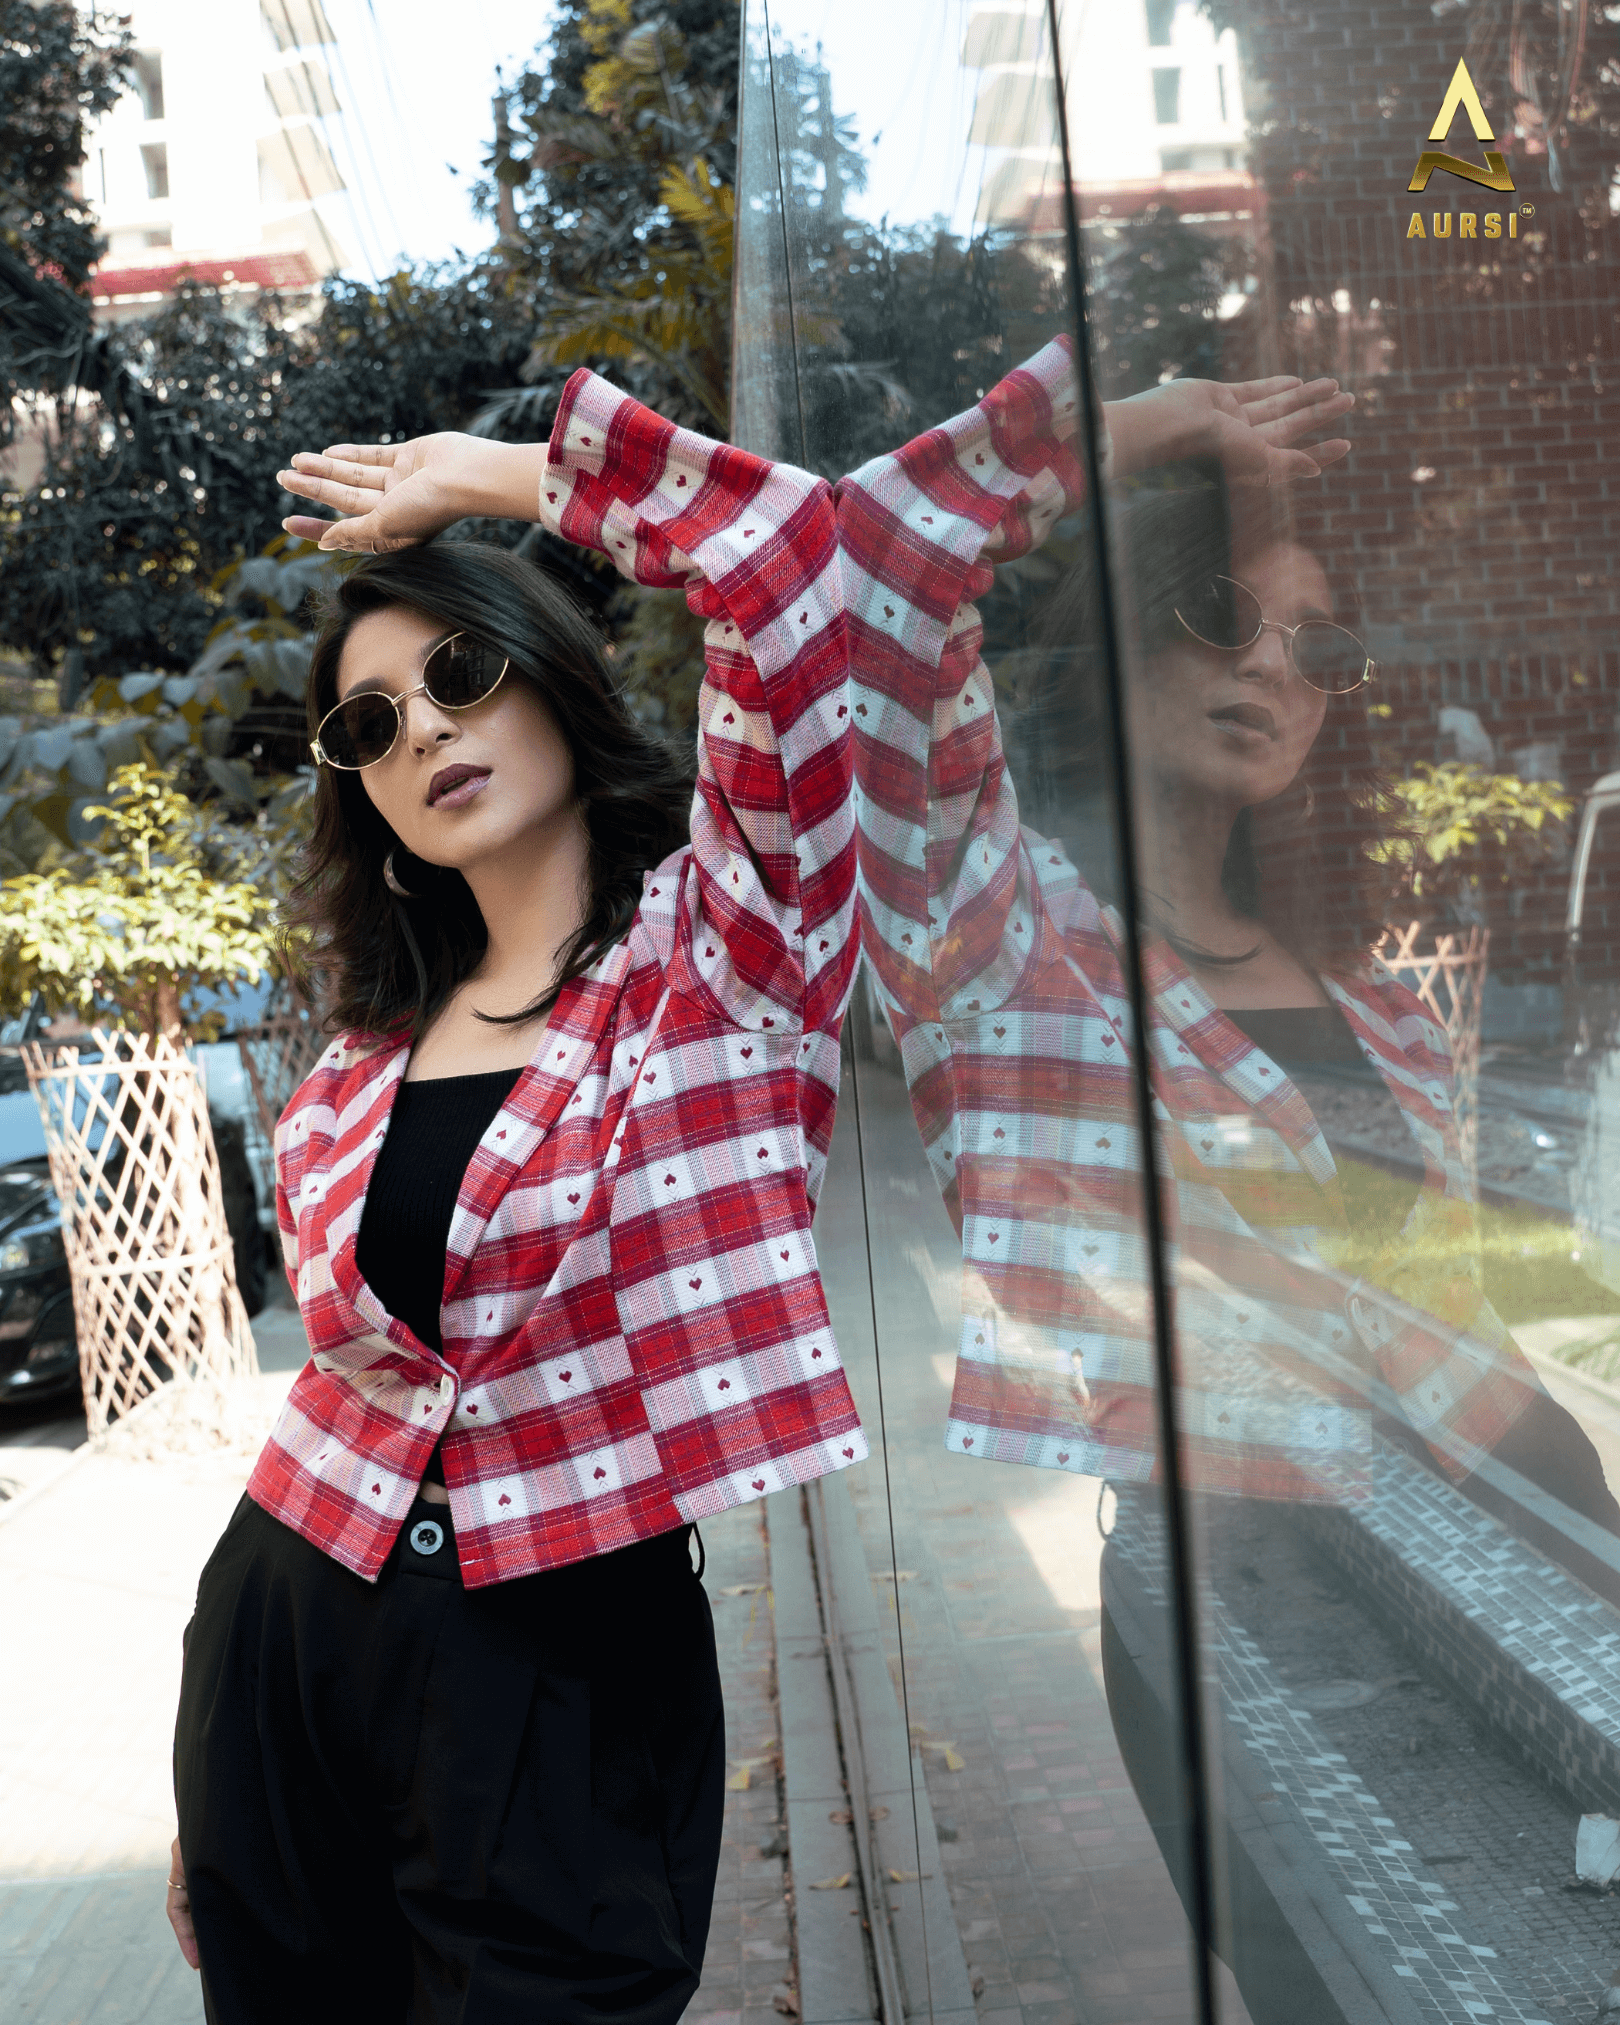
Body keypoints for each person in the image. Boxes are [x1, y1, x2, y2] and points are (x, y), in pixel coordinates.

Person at [165, 375, 868, 2022]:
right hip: (287, 1625)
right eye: (369, 725)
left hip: (565, 1654)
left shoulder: (721, 950)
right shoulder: (366, 1055)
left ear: (553, 675)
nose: (421, 731)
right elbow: (352, 1393)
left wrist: (494, 480)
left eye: (460, 674)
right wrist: (224, 1756)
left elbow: (790, 555)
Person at [840, 331, 1620, 1533]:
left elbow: (1448, 1315)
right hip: (1246, 1584)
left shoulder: (1374, 997)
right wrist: (1138, 427)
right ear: (1126, 635)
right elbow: (871, 561)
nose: (1272, 666)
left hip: (1525, 1528)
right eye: (1221, 611)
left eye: (1322, 650)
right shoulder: (1012, 936)